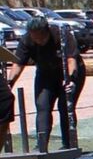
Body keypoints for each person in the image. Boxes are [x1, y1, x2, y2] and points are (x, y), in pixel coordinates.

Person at [6, 16, 85, 152]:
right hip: (46, 74)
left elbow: (71, 60)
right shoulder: (27, 40)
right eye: (35, 37)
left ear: (47, 31)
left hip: (70, 73)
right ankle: (41, 145)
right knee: (43, 105)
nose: (38, 40)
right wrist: (9, 83)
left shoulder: (61, 35)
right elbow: (18, 64)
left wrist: (71, 79)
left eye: (41, 37)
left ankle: (68, 144)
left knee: (64, 106)